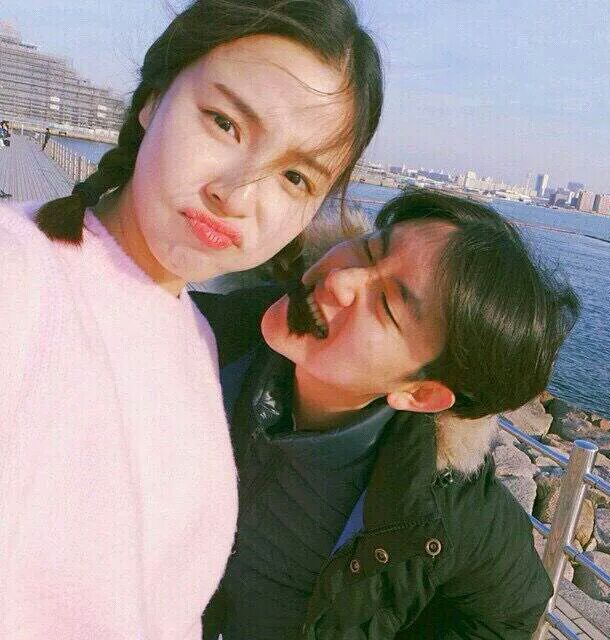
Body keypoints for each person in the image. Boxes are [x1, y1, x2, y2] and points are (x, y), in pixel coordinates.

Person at [0, 1, 382, 638]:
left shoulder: (195, 338)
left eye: (294, 177)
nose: (236, 194)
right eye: (225, 124)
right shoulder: (18, 274)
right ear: (153, 99)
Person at [193, 189, 580, 639]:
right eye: (371, 248)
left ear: (419, 393)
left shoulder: (432, 511)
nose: (339, 279)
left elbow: (514, 610)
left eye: (386, 305)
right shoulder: (200, 339)